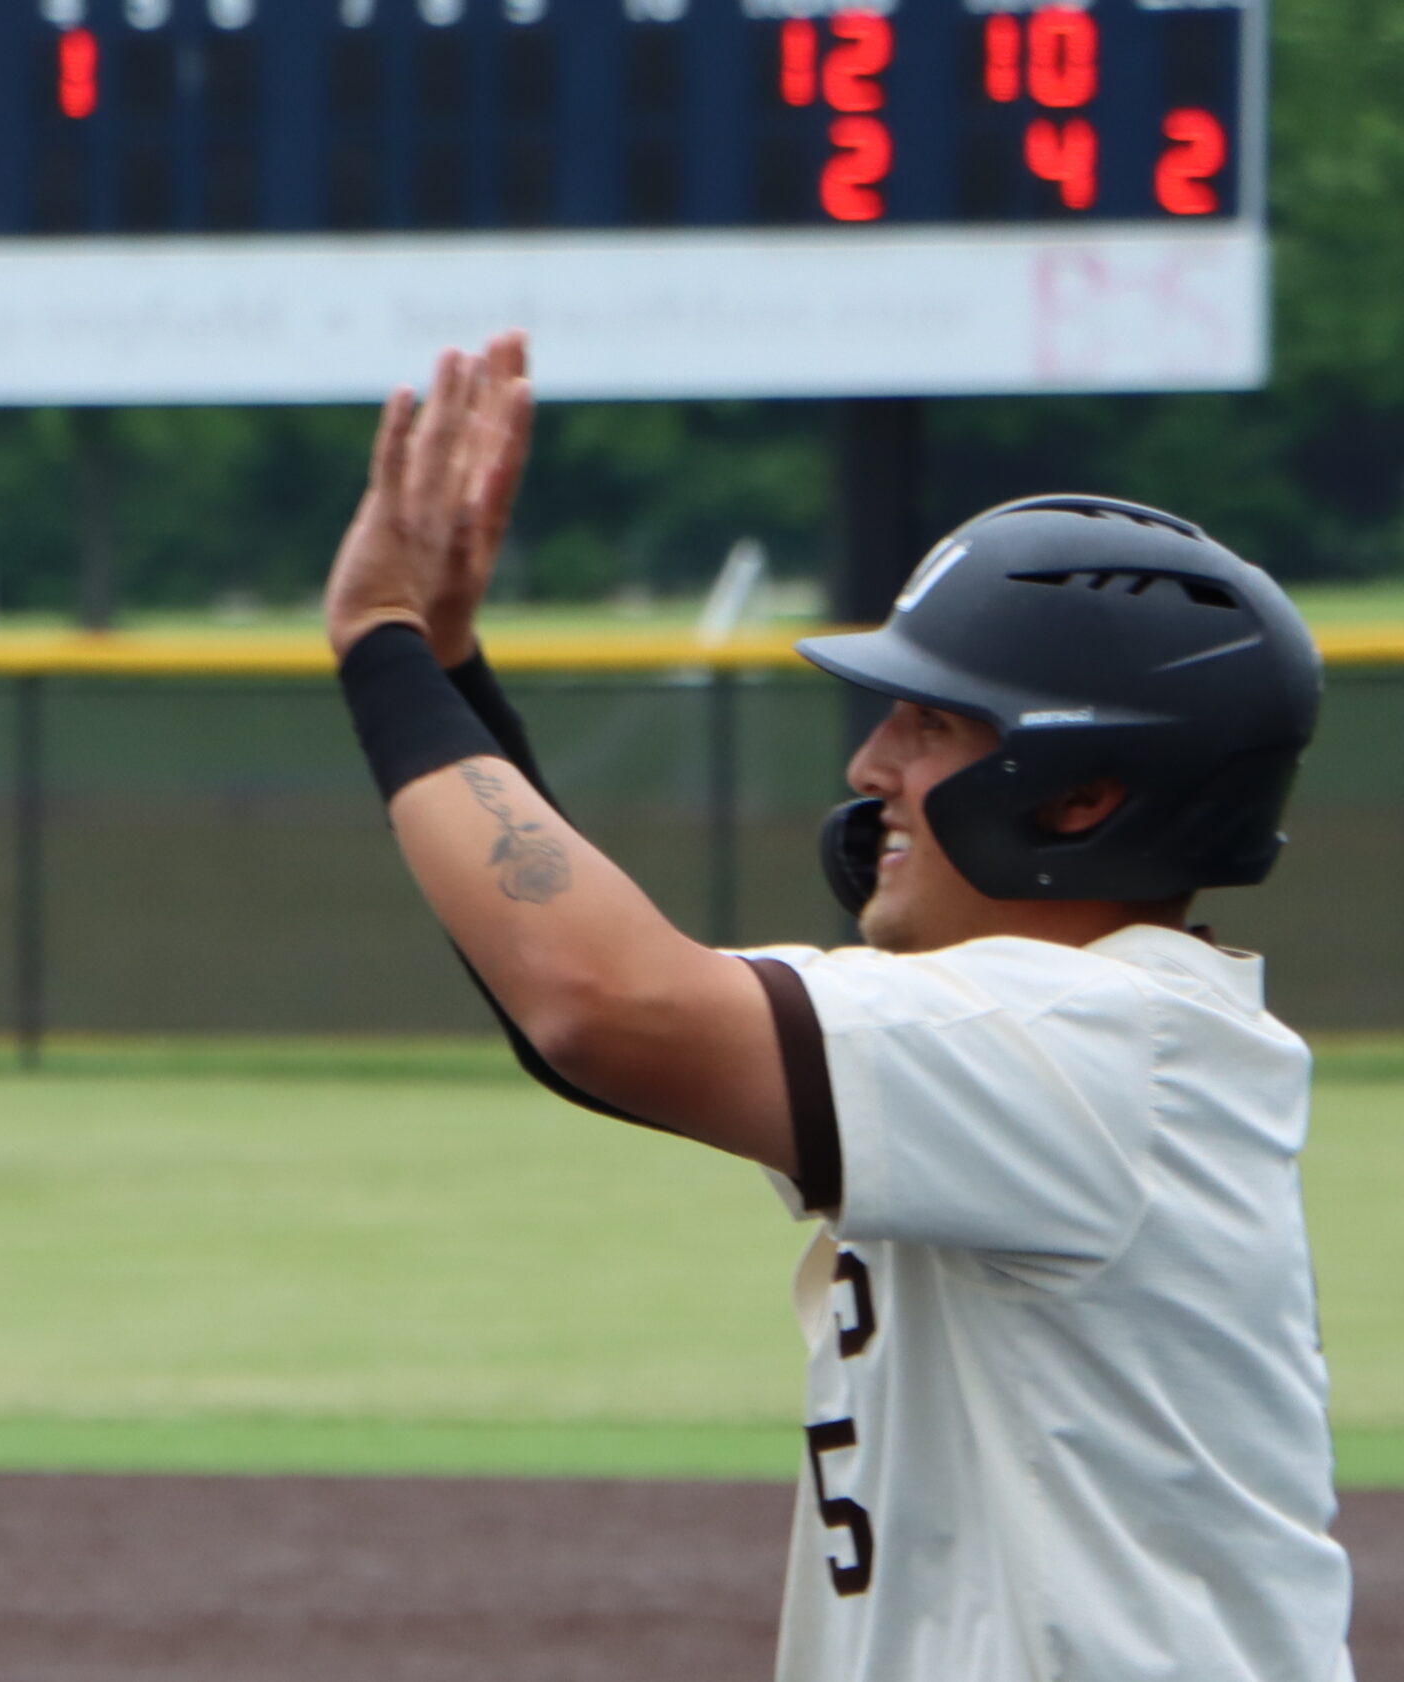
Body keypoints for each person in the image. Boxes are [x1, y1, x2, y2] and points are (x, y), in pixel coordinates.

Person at [324, 334, 1352, 1680]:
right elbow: (594, 1028)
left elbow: (601, 1002)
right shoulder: (1054, 1030)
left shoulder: (1095, 1046)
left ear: (1081, 792)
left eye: (931, 723)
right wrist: (449, 672)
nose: (871, 762)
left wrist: (384, 649)